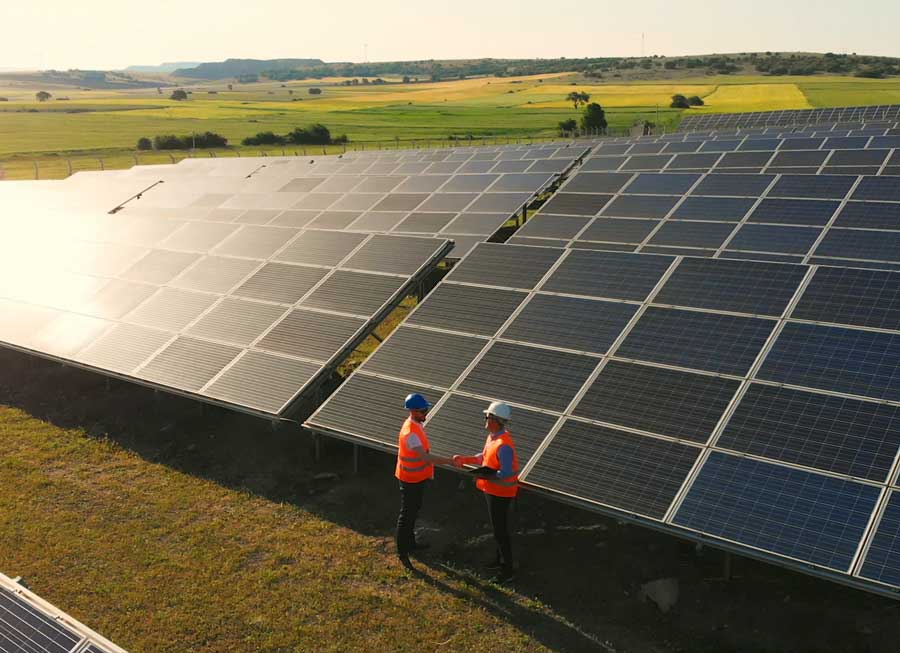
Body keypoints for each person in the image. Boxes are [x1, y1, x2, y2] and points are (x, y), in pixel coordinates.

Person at [453, 401, 519, 583]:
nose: (485, 419)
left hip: (501, 493)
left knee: (500, 531)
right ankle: (499, 560)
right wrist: (464, 459)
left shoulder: (504, 445)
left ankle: (507, 570)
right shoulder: (493, 437)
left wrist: (486, 475)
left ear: (495, 420)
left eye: (487, 417)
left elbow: (506, 472)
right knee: (497, 529)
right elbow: (484, 457)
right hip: (492, 490)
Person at [395, 392, 454, 569]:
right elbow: (425, 457)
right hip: (409, 480)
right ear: (413, 411)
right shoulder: (410, 433)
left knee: (413, 511)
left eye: (425, 410)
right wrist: (449, 461)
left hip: (417, 478)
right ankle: (402, 552)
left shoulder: (416, 425)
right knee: (407, 515)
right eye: (423, 411)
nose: (426, 413)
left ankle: (411, 544)